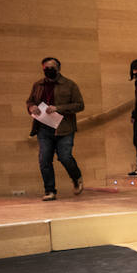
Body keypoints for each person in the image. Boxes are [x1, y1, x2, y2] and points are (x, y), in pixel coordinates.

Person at [26, 56, 85, 200]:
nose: (48, 71)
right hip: (43, 128)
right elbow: (30, 101)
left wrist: (58, 108)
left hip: (64, 128)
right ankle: (50, 191)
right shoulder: (38, 85)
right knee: (44, 160)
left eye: (51, 68)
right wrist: (31, 107)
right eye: (46, 68)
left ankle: (76, 177)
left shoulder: (69, 85)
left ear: (58, 69)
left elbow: (79, 105)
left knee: (65, 157)